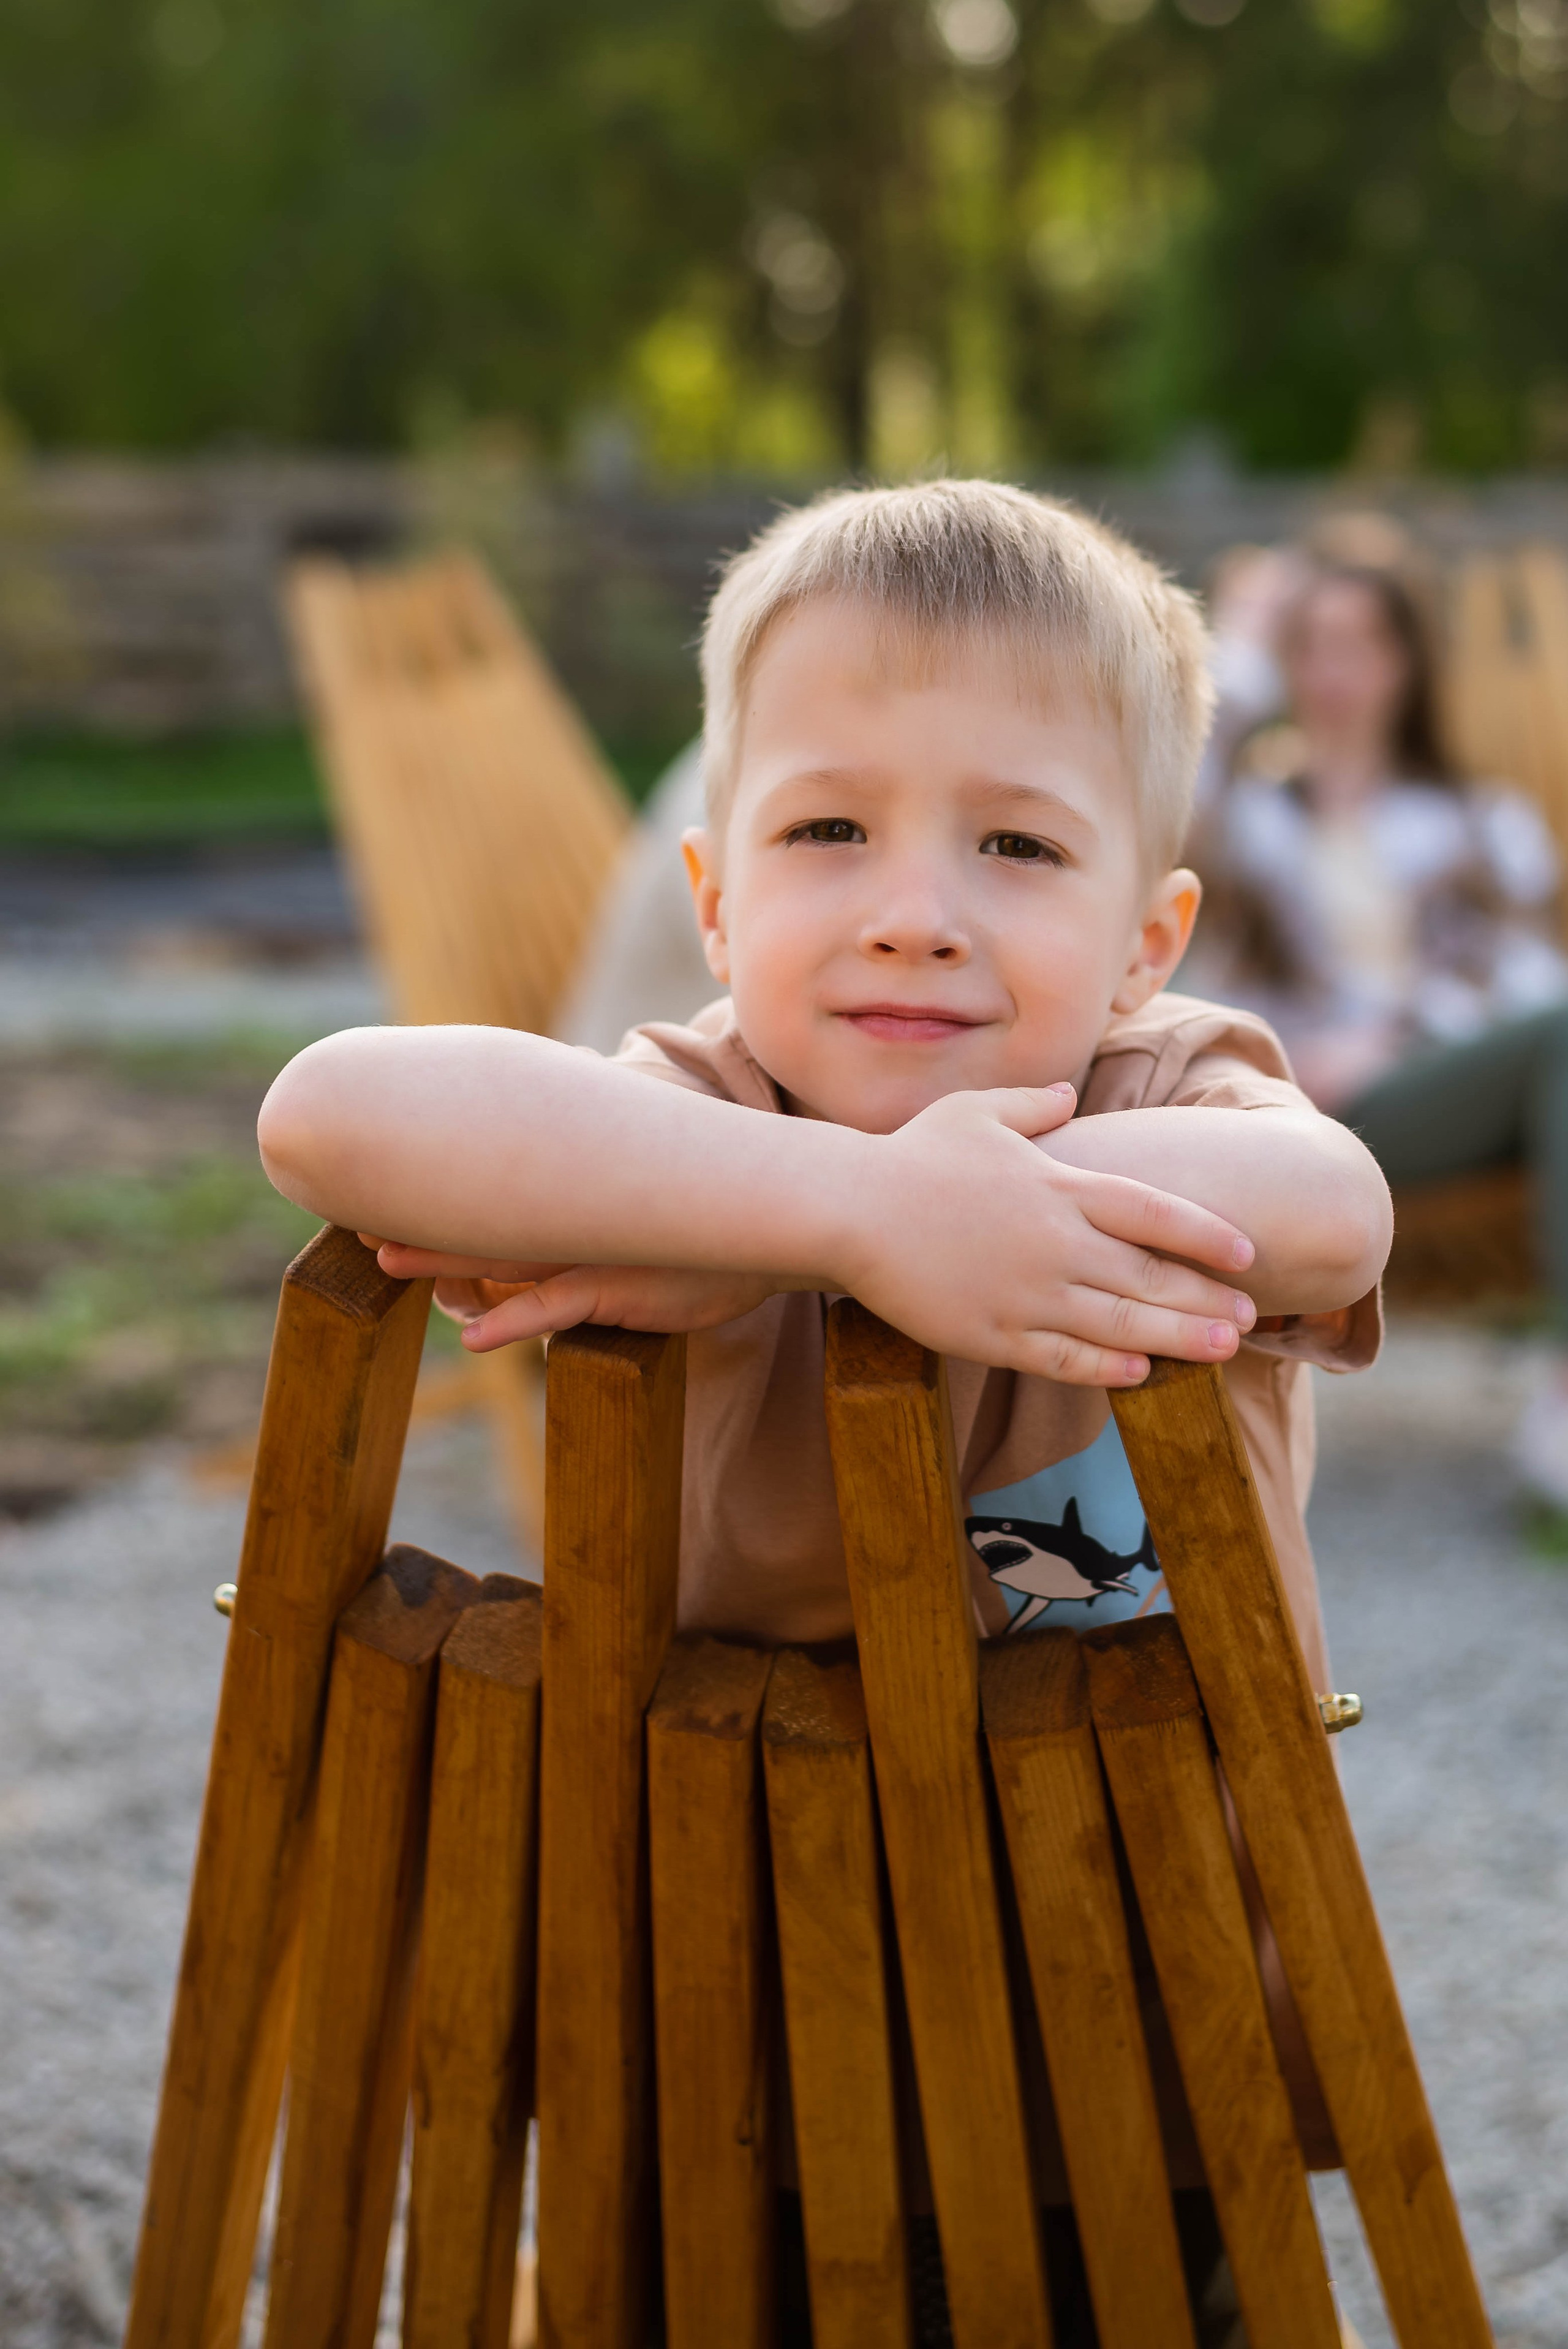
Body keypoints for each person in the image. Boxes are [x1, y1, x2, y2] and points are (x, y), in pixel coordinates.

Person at [257, 480, 1391, 2345]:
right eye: (831, 828)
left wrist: (962, 1208)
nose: (915, 915)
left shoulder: (1170, 1083)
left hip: (1128, 2000)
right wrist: (842, 1213)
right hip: (741, 1989)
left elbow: (1337, 1209)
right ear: (716, 899)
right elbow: (329, 1109)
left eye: (1019, 847)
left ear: (1145, 939)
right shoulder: (709, 1102)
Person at [1189, 552, 1568, 1512]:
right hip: (1275, 1112)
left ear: (1407, 663)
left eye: (1361, 644)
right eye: (1310, 646)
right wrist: (1240, 649)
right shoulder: (1248, 817)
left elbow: (1533, 976)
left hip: (1425, 1098)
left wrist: (1396, 1037)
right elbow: (1155, 805)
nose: (1335, 672)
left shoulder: (1483, 821)